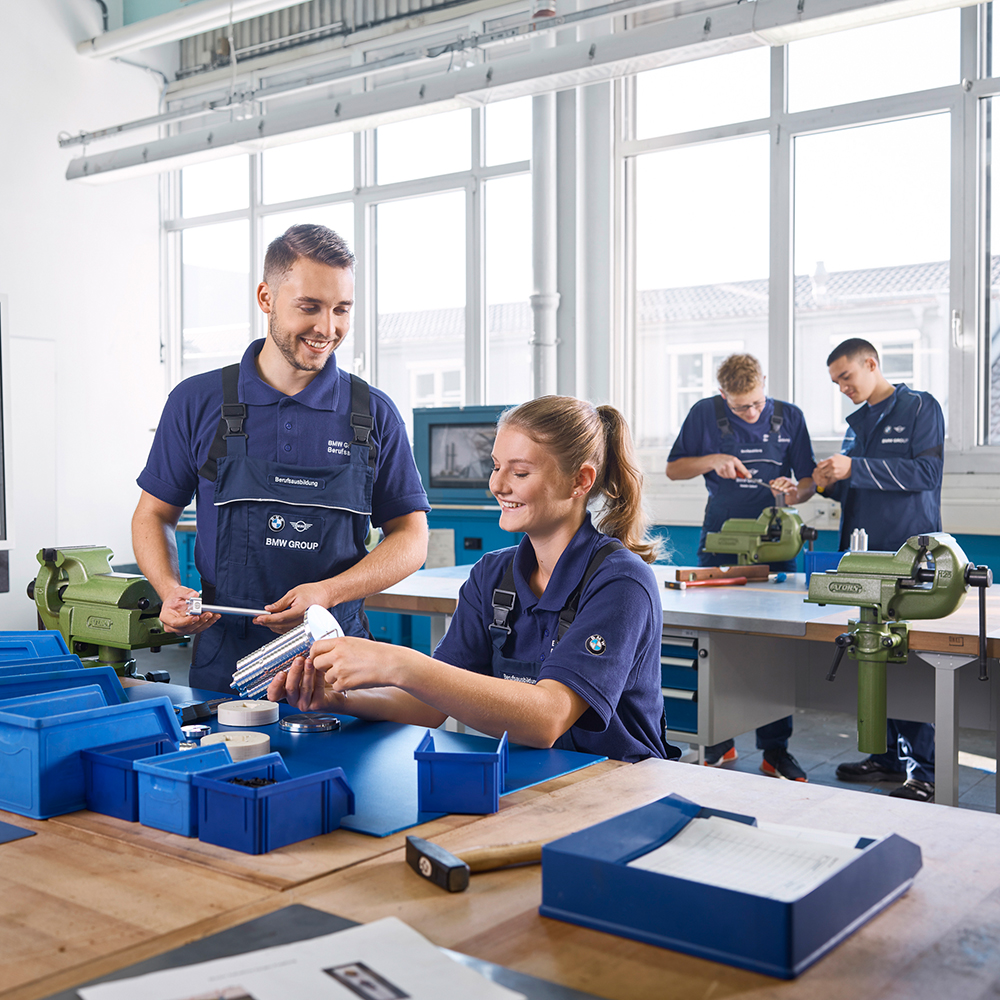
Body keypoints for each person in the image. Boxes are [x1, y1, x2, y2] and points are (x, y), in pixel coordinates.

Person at [267, 395, 680, 763]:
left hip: (617, 789)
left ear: (580, 481)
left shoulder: (622, 582)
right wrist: (342, 699)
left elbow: (548, 717)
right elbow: (428, 707)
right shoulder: (492, 575)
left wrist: (400, 663)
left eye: (519, 473)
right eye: (496, 466)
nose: (497, 485)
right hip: (530, 783)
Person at [132, 224, 430, 693]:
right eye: (309, 307)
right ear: (266, 298)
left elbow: (412, 537)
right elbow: (154, 513)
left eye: (341, 310)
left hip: (339, 669)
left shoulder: (373, 413)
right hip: (224, 669)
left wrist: (327, 594)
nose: (327, 328)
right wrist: (169, 590)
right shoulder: (196, 402)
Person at [666, 353, 817, 781]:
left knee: (775, 644)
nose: (750, 412)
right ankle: (716, 742)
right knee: (712, 637)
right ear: (722, 396)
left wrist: (794, 491)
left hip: (776, 538)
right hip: (720, 538)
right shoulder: (704, 414)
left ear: (764, 384)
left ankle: (775, 751)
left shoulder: (791, 417)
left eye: (754, 403)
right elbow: (674, 469)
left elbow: (808, 484)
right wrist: (712, 460)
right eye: (739, 406)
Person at [814, 338, 944, 803]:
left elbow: (926, 476)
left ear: (871, 364)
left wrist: (855, 467)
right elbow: (859, 488)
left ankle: (923, 771)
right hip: (864, 560)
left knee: (907, 663)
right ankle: (887, 758)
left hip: (909, 558)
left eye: (846, 377)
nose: (843, 388)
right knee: (875, 658)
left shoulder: (920, 408)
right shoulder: (858, 424)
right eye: (835, 382)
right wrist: (824, 483)